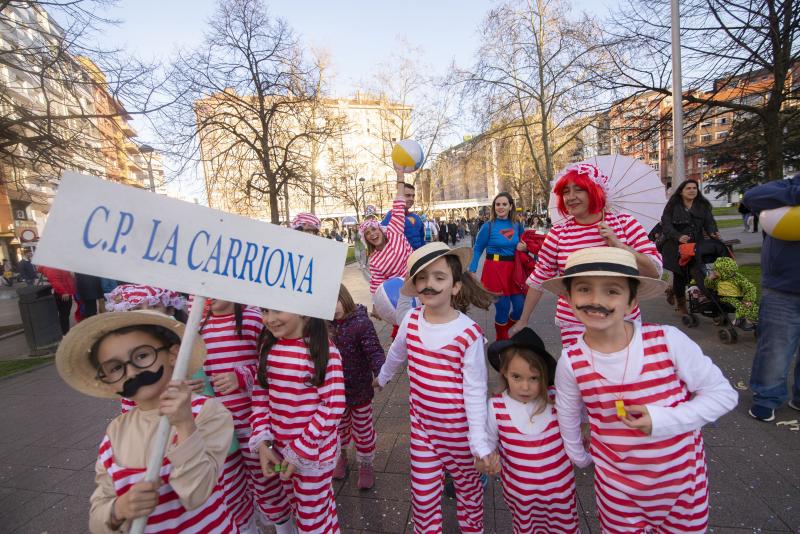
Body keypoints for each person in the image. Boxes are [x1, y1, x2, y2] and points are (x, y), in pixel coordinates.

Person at [546, 247, 737, 533]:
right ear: (569, 298)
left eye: (612, 291)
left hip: (682, 487)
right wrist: (579, 457)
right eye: (584, 289)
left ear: (632, 300)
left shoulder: (668, 341)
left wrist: (663, 420)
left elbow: (723, 394)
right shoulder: (572, 361)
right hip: (617, 492)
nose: (596, 300)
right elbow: (568, 415)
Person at [55, 311, 238, 533]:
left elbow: (197, 493)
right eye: (115, 368)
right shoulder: (116, 432)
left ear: (173, 355)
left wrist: (184, 425)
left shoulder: (207, 413)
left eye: (142, 356)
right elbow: (99, 514)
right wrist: (117, 510)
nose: (131, 372)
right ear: (109, 383)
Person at [375, 242, 495, 533]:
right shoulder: (411, 321)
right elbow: (396, 353)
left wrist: (480, 442)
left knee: (468, 491)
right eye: (422, 278)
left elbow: (476, 390)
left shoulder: (468, 334)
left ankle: (473, 528)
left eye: (439, 277)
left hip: (460, 433)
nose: (430, 284)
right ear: (415, 286)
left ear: (455, 287)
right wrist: (381, 377)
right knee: (424, 495)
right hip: (424, 428)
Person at [512, 163, 662, 346]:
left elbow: (654, 271)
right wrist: (523, 320)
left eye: (579, 190)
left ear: (595, 191)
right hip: (574, 323)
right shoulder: (558, 233)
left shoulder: (625, 224)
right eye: (566, 191)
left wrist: (621, 246)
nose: (571, 197)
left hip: (621, 320)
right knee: (582, 372)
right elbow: (539, 278)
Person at [250, 309, 345, 534]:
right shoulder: (269, 347)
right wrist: (263, 441)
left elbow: (332, 406)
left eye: (277, 310)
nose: (269, 319)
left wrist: (300, 449)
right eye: (264, 311)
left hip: (314, 454)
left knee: (310, 519)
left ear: (305, 311)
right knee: (305, 508)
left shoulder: (323, 351)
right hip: (282, 451)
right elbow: (261, 396)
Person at [479, 328, 579, 534]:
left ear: (545, 376)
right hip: (521, 498)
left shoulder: (556, 399)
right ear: (504, 371)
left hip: (561, 496)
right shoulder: (496, 407)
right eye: (517, 376)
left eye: (534, 378)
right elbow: (487, 444)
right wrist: (486, 461)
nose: (525, 386)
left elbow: (585, 411)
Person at [200, 299, 278, 528]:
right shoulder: (196, 327)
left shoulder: (254, 320)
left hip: (253, 422)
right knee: (231, 487)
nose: (209, 295)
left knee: (267, 477)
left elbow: (272, 365)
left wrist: (242, 376)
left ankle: (281, 520)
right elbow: (199, 372)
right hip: (219, 428)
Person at [743, 175, 800, 421]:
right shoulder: (784, 187)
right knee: (776, 348)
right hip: (783, 288)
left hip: (782, 285)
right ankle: (767, 398)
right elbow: (751, 197)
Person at [330, 284, 385, 490]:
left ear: (345, 297)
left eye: (336, 300)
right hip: (335, 393)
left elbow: (374, 350)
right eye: (327, 303)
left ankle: (366, 463)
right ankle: (341, 456)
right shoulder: (323, 324)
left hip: (360, 390)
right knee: (338, 428)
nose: (333, 307)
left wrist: (381, 372)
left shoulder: (361, 323)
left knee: (363, 429)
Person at [470, 192, 528, 341]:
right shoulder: (488, 227)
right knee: (502, 308)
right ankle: (501, 339)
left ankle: (505, 329)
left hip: (513, 271)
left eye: (504, 204)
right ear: (494, 207)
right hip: (494, 270)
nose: (501, 207)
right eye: (498, 204)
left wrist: (525, 248)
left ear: (510, 207)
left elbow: (524, 245)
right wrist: (472, 269)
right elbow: (477, 248)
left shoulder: (517, 225)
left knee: (520, 307)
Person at [659, 179, 719, 314]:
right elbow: (666, 225)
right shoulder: (672, 206)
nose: (692, 190)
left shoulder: (702, 207)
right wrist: (678, 236)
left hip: (695, 247)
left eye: (694, 188)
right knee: (680, 276)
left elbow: (710, 222)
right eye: (688, 188)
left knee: (696, 274)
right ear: (681, 192)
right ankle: (682, 306)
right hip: (674, 248)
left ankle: (672, 290)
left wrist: (713, 233)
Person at [360, 172, 413, 295]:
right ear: (366, 239)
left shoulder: (394, 231)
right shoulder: (374, 261)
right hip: (403, 294)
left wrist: (400, 178)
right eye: (367, 233)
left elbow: (399, 205)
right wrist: (376, 306)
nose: (372, 234)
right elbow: (377, 287)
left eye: (373, 229)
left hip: (420, 278)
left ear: (381, 230)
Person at [381, 181, 424, 249]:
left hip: (418, 258)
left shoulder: (417, 217)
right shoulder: (391, 217)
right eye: (407, 195)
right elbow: (383, 241)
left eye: (413, 196)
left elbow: (421, 240)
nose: (411, 199)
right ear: (399, 196)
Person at [37, 266, 76, 335]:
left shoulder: (57, 265)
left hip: (65, 292)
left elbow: (63, 278)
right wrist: (63, 292)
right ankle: (64, 333)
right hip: (62, 294)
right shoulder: (52, 266)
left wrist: (71, 275)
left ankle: (63, 332)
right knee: (64, 314)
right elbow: (55, 280)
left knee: (64, 314)